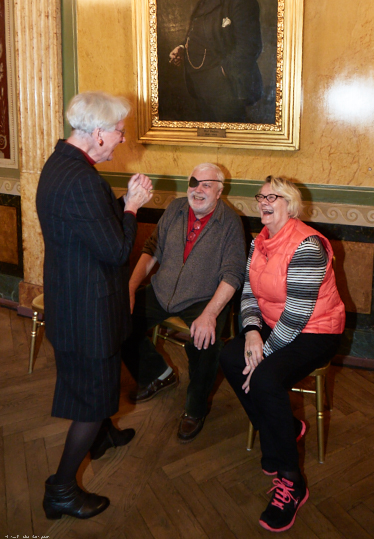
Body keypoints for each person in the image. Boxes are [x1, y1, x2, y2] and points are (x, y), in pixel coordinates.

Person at [36, 92, 153, 520]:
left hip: (71, 301)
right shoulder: (84, 180)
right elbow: (116, 250)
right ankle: (61, 489)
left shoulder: (59, 163)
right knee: (91, 399)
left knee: (94, 387)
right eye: (119, 131)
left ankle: (102, 437)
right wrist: (133, 207)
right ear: (99, 133)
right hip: (87, 311)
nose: (122, 139)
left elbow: (90, 227)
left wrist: (121, 206)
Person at [220, 175, 345, 532]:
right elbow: (248, 292)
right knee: (229, 356)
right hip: (275, 325)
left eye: (272, 197)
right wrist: (251, 332)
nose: (263, 202)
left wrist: (262, 355)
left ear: (291, 205)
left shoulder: (307, 245)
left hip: (317, 331)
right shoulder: (259, 241)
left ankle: (292, 481)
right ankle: (284, 428)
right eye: (261, 196)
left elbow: (297, 316)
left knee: (264, 378)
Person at [122, 162, 246, 443]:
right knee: (118, 318)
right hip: (162, 290)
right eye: (193, 182)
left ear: (219, 192)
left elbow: (233, 274)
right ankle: (157, 374)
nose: (197, 190)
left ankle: (195, 408)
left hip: (204, 298)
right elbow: (152, 249)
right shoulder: (176, 208)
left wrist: (210, 314)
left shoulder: (230, 222)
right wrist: (130, 287)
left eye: (206, 185)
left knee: (206, 343)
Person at [169, 0, 263, 123]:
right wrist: (182, 48)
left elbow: (250, 47)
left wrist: (221, 74)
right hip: (198, 88)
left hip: (225, 92)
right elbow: (197, 32)